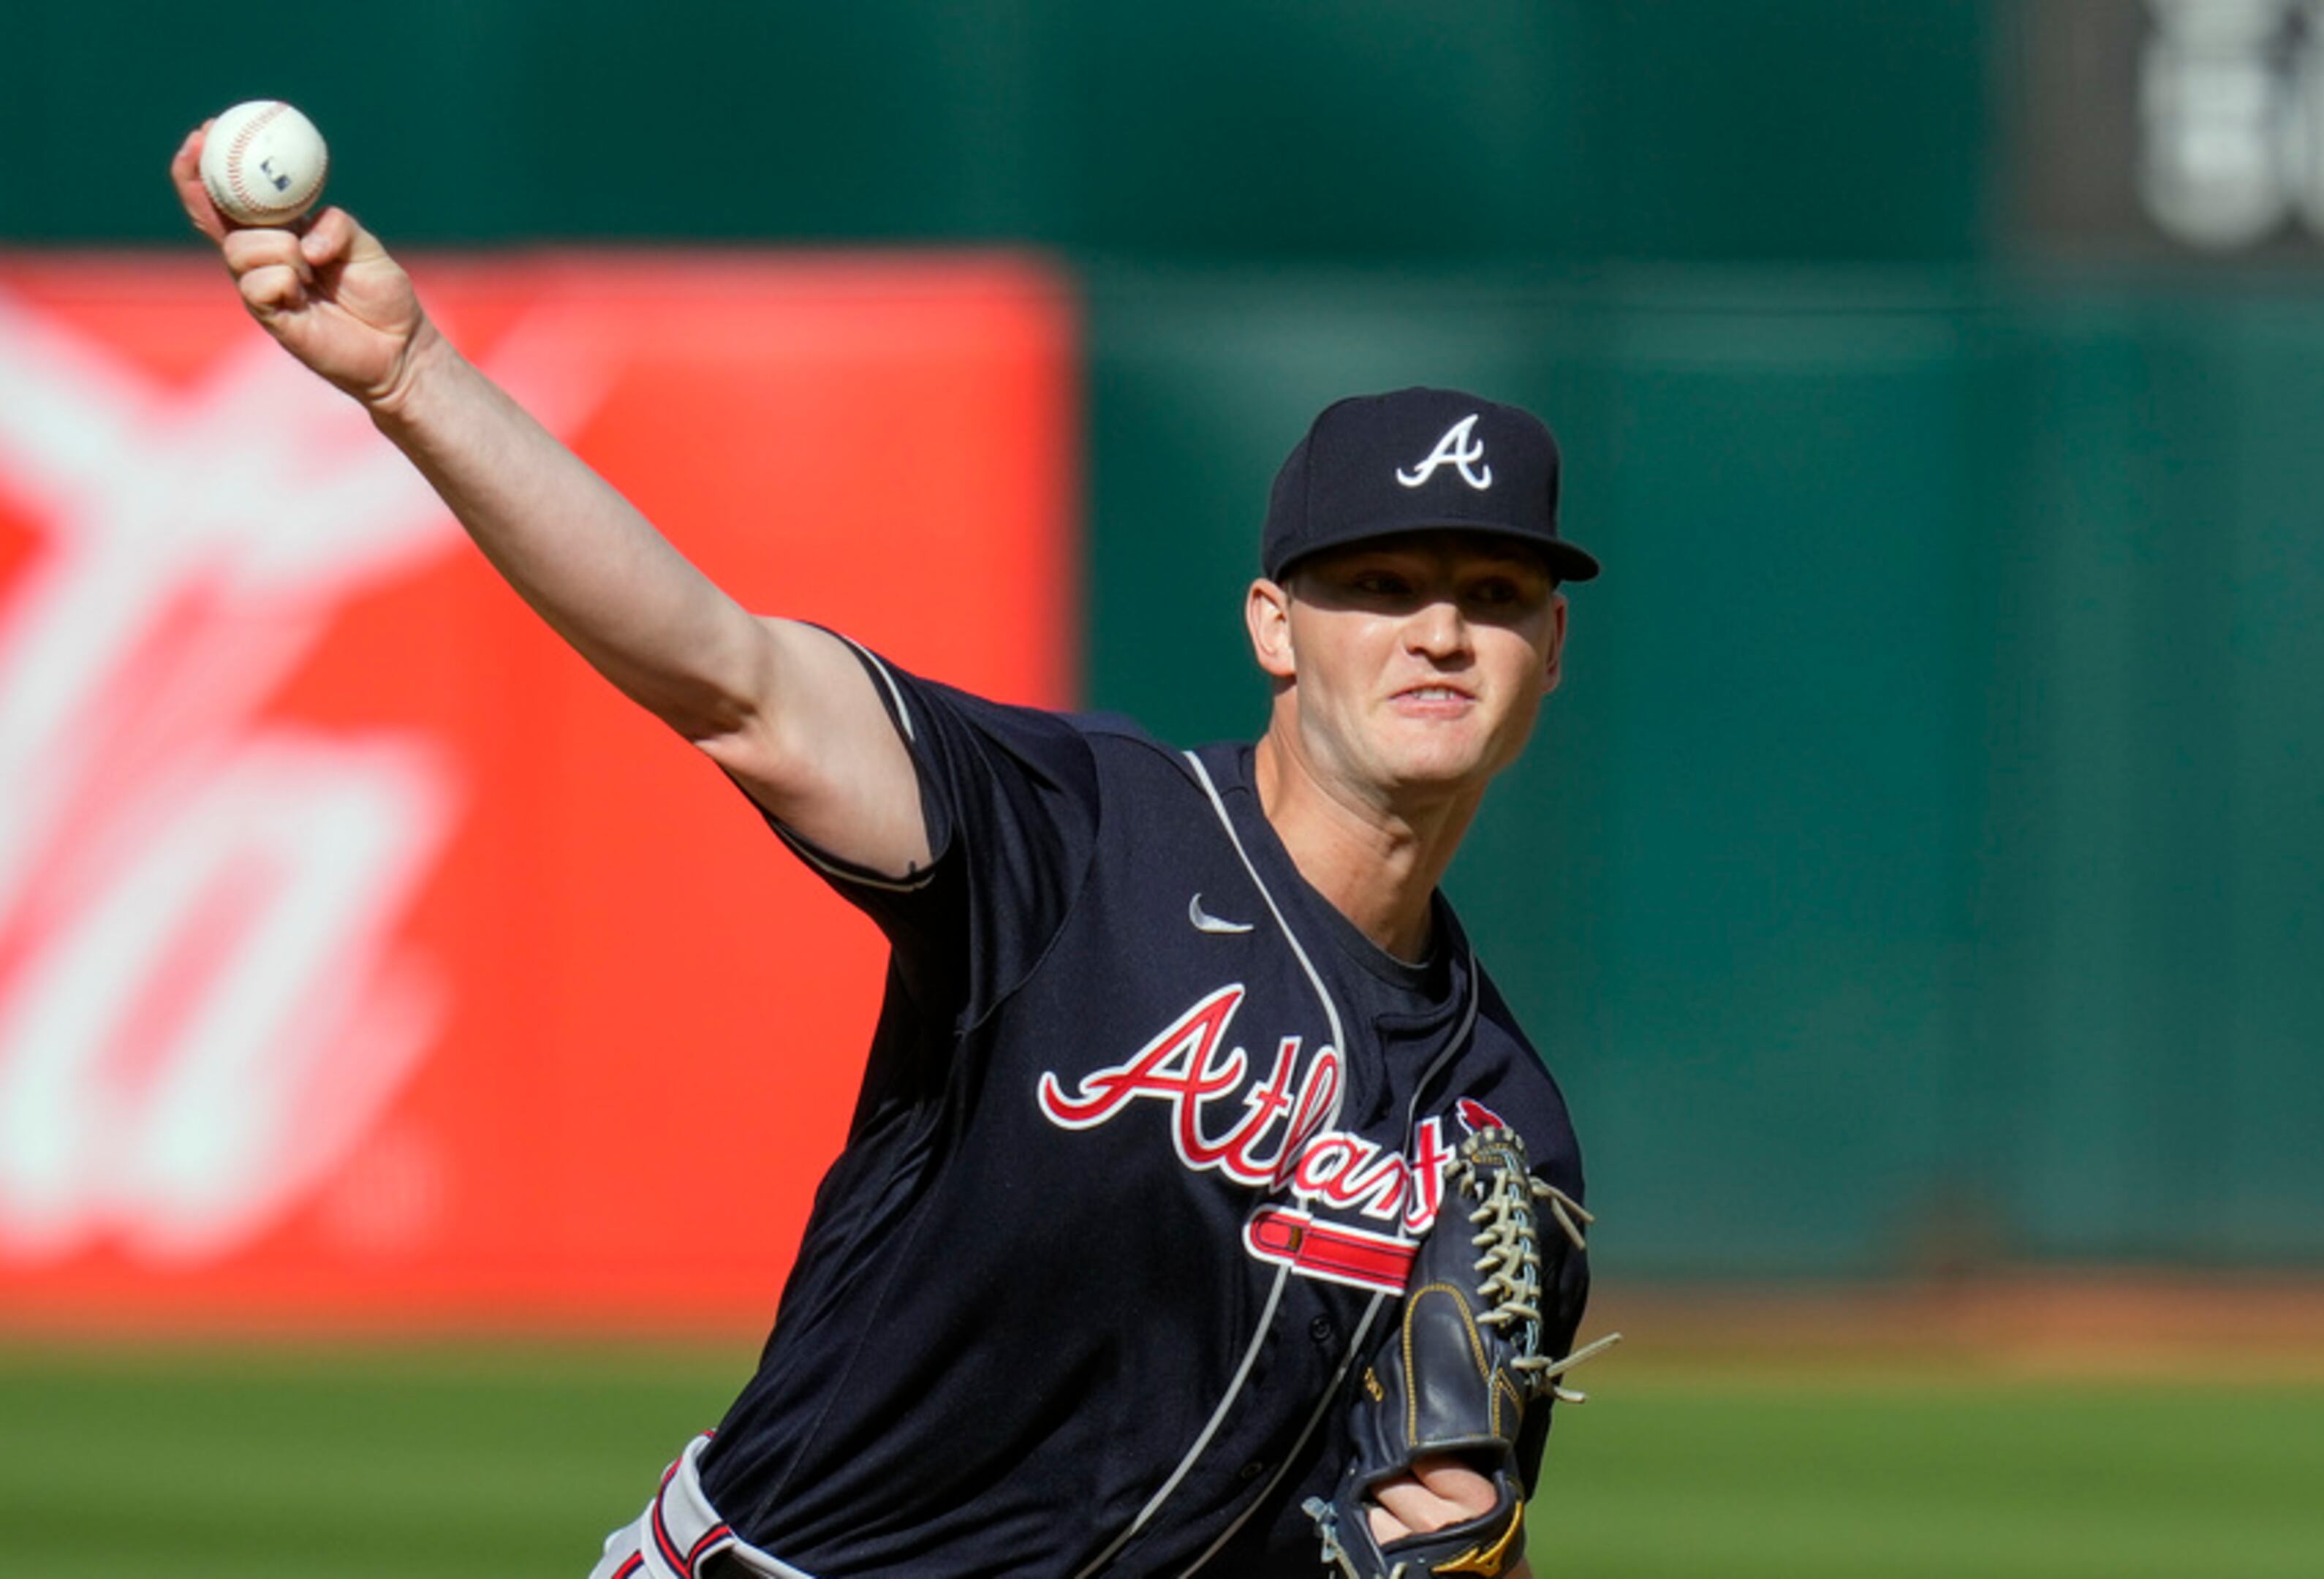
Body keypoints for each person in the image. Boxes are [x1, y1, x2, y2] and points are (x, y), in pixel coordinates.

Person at [171, 124, 1598, 1579]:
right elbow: (729, 678)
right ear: (1273, 629)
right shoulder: (1083, 835)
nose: (1438, 630)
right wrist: (415, 380)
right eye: (1382, 582)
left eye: (1492, 592)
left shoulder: (1505, 1128)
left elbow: (1432, 1527)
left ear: (1549, 650)